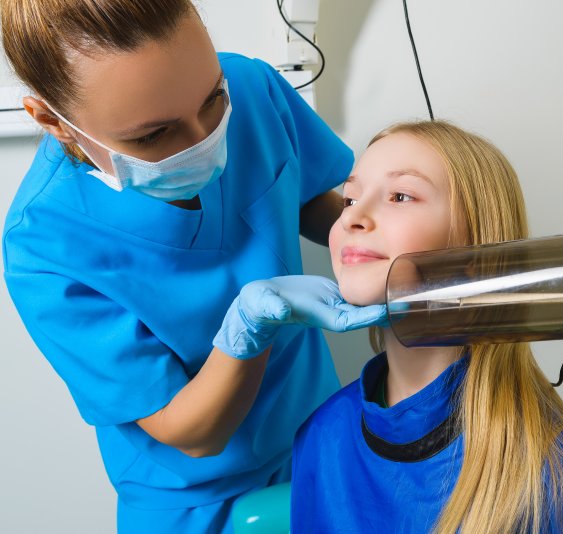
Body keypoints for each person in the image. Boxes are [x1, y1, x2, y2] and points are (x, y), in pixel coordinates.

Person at [1, 1, 384, 532]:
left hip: (322, 433)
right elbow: (194, 433)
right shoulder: (44, 245)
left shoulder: (252, 87)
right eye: (154, 136)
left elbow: (315, 200)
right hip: (199, 500)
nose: (204, 139)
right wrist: (247, 330)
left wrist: (391, 238)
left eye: (212, 100)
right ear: (53, 121)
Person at [290, 120, 563, 533]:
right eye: (349, 199)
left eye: (400, 195)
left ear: (472, 249)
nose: (354, 217)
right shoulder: (321, 439)